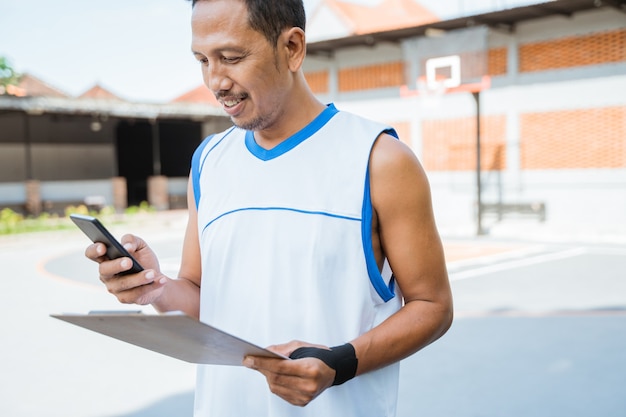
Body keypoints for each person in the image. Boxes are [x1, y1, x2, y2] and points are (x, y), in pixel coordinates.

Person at [85, 0, 453, 415]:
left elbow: (432, 307)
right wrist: (155, 287)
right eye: (202, 60)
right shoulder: (209, 161)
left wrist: (339, 364)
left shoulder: (379, 159)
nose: (215, 80)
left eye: (231, 58)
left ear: (293, 48)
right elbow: (202, 297)